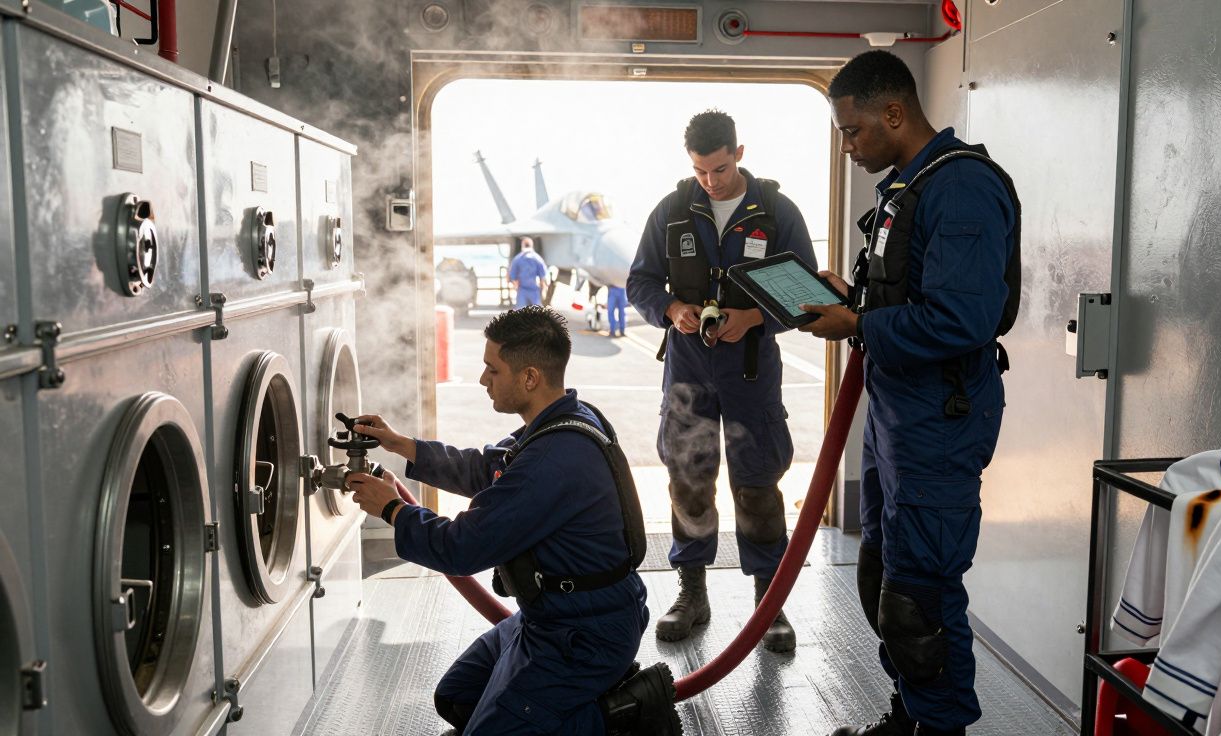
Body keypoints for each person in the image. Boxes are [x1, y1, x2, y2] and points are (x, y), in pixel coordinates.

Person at [797, 51, 1020, 736]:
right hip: (896, 417)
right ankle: (911, 714)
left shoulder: (960, 189)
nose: (849, 144)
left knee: (919, 600)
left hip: (939, 421)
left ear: (894, 112)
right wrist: (851, 298)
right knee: (881, 581)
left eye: (854, 130)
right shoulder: (906, 188)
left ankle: (940, 727)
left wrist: (858, 324)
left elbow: (963, 319)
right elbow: (911, 292)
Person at [344, 306, 680, 736]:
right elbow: (486, 470)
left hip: (585, 633)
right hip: (547, 618)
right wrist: (403, 445)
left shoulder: (553, 459)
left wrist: (392, 509)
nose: (484, 379)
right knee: (456, 696)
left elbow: (462, 547)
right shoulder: (558, 421)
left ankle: (629, 713)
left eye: (492, 369)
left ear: (530, 378)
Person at [627, 109, 816, 653]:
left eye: (720, 168)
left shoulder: (777, 213)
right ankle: (692, 594)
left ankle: (768, 603)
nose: (710, 181)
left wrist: (752, 319)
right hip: (688, 369)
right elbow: (639, 281)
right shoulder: (672, 211)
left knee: (758, 486)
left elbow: (806, 294)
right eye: (701, 170)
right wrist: (671, 308)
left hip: (751, 370)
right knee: (689, 483)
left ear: (740, 151)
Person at [508, 237, 549, 307]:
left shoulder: (517, 259)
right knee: (537, 313)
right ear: (532, 246)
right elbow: (543, 277)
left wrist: (515, 287)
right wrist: (544, 290)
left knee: (520, 312)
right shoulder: (537, 258)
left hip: (522, 290)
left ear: (522, 246)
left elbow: (512, 276)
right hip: (534, 290)